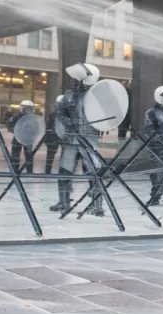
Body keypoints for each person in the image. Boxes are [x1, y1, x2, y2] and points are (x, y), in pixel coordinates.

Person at [50, 63, 103, 216]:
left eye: (78, 79)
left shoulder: (97, 95)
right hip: (70, 139)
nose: (74, 81)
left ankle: (97, 204)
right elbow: (60, 112)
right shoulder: (68, 94)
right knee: (64, 171)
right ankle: (63, 201)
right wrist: (67, 122)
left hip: (89, 140)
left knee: (94, 171)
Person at [6, 100, 37, 173]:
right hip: (18, 138)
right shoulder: (16, 116)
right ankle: (14, 171)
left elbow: (36, 127)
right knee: (15, 155)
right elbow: (9, 125)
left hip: (28, 139)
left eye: (30, 108)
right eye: (27, 108)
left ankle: (29, 172)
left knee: (29, 156)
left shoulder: (33, 118)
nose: (29, 110)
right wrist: (16, 130)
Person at [45, 95, 64, 174]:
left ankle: (63, 171)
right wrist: (46, 138)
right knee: (50, 155)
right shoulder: (52, 115)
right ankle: (47, 171)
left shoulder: (68, 116)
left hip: (64, 137)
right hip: (53, 137)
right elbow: (47, 127)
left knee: (65, 155)